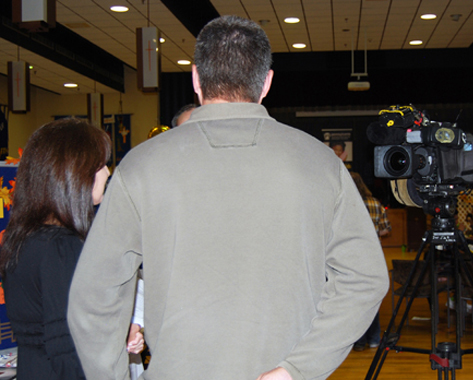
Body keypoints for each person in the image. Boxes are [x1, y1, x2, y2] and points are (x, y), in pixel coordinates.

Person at [67, 15, 389, 380]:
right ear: (266, 82)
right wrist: (298, 369)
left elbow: (94, 298)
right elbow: (365, 279)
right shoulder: (321, 164)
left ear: (195, 78)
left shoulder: (140, 166)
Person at [0, 118, 143, 380]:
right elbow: (69, 348)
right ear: (76, 172)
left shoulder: (24, 238)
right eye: (101, 165)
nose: (107, 173)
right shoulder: (61, 246)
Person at [350, 172, 391, 351]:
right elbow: (385, 230)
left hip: (351, 257)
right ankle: (374, 338)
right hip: (373, 256)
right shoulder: (375, 203)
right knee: (371, 297)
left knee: (354, 300)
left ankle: (358, 341)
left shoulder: (347, 204)